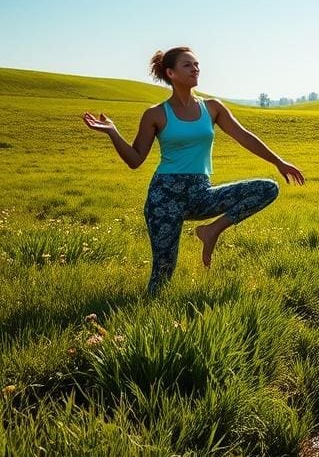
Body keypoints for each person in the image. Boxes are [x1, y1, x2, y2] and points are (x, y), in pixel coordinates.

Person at [83, 46, 305, 294]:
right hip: (164, 198)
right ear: (171, 73)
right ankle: (150, 319)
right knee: (162, 276)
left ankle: (210, 231)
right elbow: (135, 159)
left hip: (201, 193)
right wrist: (113, 132)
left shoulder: (212, 108)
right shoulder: (155, 114)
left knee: (267, 189)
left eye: (197, 64)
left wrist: (278, 161)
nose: (195, 68)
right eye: (187, 65)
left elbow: (243, 136)